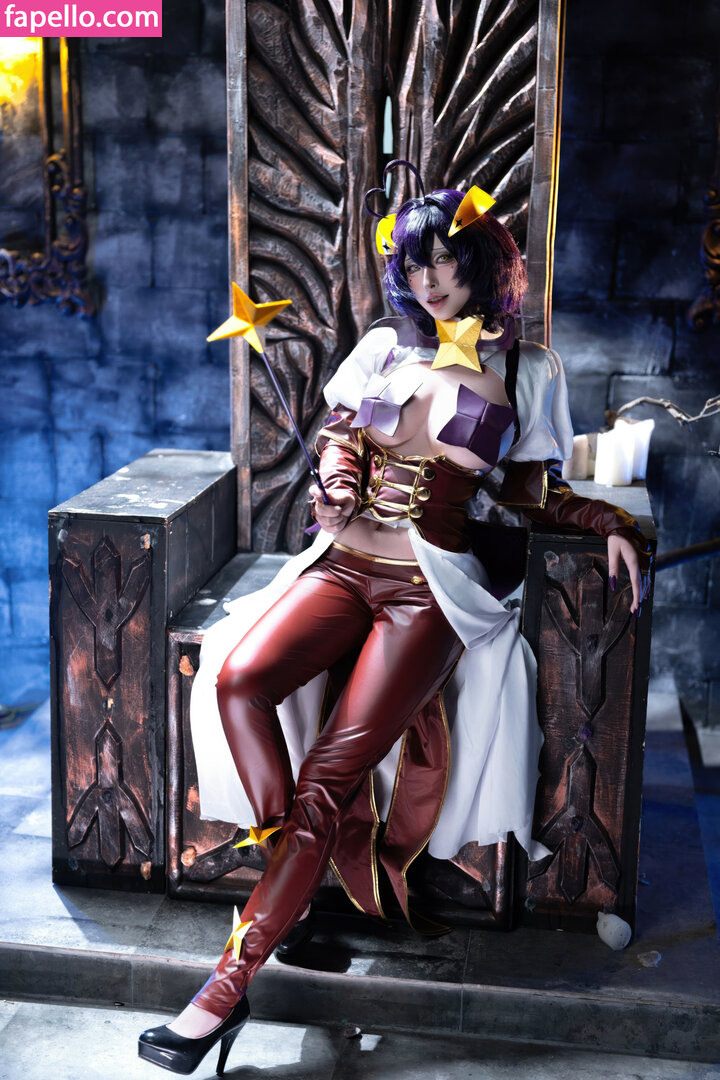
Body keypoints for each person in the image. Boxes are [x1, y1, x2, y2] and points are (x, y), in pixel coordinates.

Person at [138, 163, 650, 1075]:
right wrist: (336, 483)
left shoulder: (528, 367)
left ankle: (225, 984)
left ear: (481, 262)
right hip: (342, 565)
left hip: (427, 591)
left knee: (330, 776)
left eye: (445, 260)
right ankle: (292, 862)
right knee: (238, 680)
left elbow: (531, 490)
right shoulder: (385, 346)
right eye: (413, 265)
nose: (429, 279)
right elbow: (340, 436)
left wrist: (608, 521)